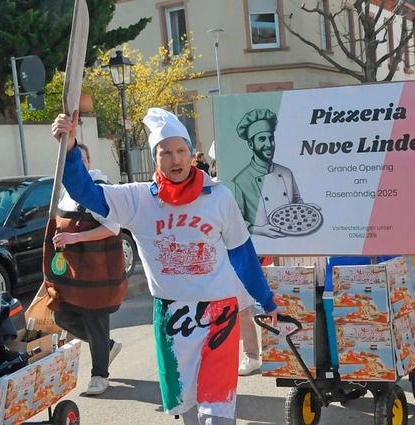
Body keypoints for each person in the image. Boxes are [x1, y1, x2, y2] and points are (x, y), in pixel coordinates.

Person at [52, 107, 278, 424]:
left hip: (220, 313)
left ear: (191, 153)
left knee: (217, 411)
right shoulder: (139, 199)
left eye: (181, 151)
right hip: (173, 316)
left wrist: (265, 300)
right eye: (166, 153)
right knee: (185, 408)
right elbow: (83, 191)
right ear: (155, 158)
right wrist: (72, 146)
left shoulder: (219, 196)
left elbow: (241, 252)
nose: (176, 160)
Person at [44, 143, 127, 396]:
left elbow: (113, 227)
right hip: (73, 272)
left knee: (95, 320)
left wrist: (75, 238)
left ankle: (99, 376)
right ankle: (107, 346)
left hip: (98, 271)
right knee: (62, 316)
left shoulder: (99, 188)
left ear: (87, 162)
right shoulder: (64, 191)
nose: (76, 164)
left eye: (80, 159)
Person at [233, 108, 319, 238]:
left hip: (293, 240)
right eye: (262, 139)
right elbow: (235, 219)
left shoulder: (286, 172)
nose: (269, 144)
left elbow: (296, 201)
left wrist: (306, 210)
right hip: (262, 245)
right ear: (251, 144)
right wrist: (260, 230)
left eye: (271, 138)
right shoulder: (242, 181)